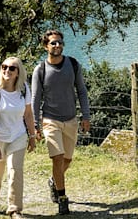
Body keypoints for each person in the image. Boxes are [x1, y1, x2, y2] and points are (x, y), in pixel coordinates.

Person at [29, 30, 90, 215]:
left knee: (67, 160)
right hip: (50, 120)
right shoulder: (40, 70)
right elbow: (35, 98)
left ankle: (53, 181)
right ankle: (62, 198)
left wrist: (85, 116)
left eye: (60, 42)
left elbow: (82, 91)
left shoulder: (73, 64)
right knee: (57, 158)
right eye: (53, 43)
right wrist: (35, 126)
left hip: (71, 120)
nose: (58, 46)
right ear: (45, 46)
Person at [0, 56, 39, 218]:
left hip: (18, 137)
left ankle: (14, 209)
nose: (7, 70)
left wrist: (32, 136)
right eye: (4, 67)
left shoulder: (24, 89)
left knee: (15, 172)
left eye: (12, 68)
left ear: (18, 72)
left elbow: (28, 114)